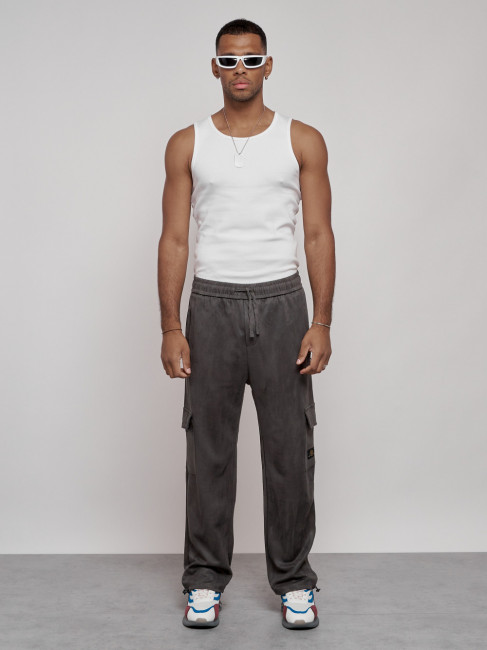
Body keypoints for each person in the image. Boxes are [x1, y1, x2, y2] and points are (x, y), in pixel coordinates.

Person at [158, 18, 335, 630]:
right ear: (214, 66)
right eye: (230, 60)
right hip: (211, 305)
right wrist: (171, 326)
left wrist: (322, 320)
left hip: (283, 303)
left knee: (289, 450)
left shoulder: (301, 139)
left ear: (268, 65)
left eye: (251, 59)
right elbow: (174, 239)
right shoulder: (187, 143)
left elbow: (318, 234)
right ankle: (205, 581)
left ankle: (294, 583)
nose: (241, 70)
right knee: (208, 451)